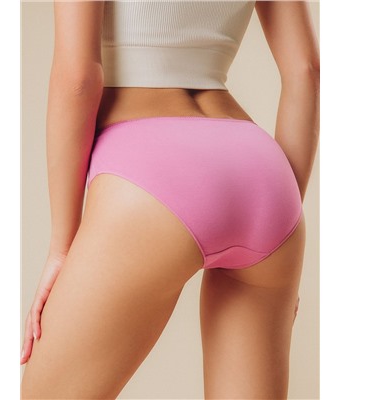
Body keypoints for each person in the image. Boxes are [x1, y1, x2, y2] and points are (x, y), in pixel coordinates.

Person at [21, 1, 320, 398]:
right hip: (262, 171)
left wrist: (62, 247)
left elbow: (78, 79)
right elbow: (306, 71)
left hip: (152, 169)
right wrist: (282, 220)